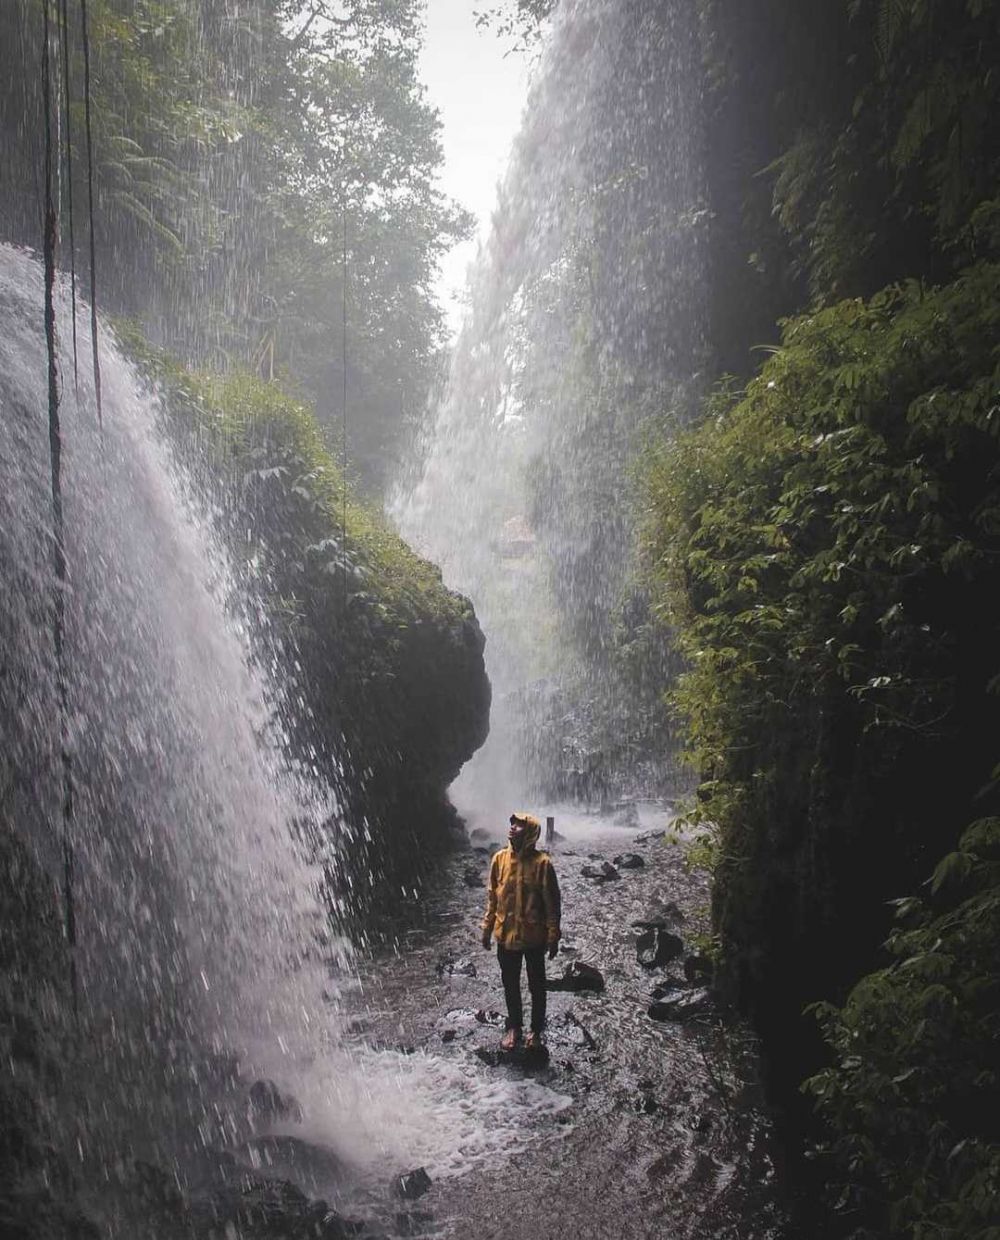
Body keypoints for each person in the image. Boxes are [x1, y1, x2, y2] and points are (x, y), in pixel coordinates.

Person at [480, 811, 561, 1051]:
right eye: (512, 823)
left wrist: (553, 936)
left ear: (531, 832)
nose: (513, 827)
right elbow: (492, 897)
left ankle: (536, 1030)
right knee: (510, 983)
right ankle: (514, 1026)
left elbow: (552, 904)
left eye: (520, 825)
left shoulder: (542, 864)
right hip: (506, 935)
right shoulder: (499, 859)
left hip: (534, 936)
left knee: (537, 985)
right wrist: (486, 929)